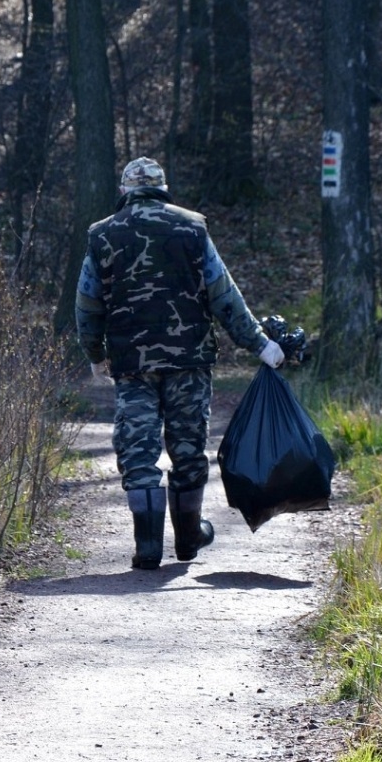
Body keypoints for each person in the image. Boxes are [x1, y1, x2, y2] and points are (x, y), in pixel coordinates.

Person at [75, 157, 285, 569]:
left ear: (125, 191)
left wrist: (95, 354)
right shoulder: (191, 228)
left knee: (139, 451)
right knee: (188, 449)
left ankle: (148, 546)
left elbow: (87, 302)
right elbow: (224, 295)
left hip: (132, 363)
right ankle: (188, 538)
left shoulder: (103, 234)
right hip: (189, 360)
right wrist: (259, 344)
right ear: (162, 187)